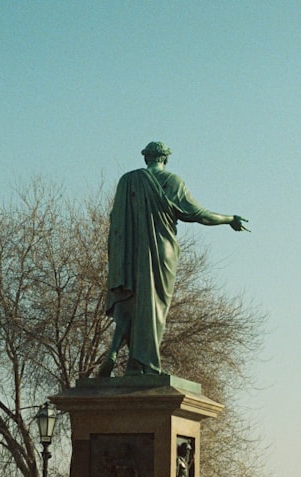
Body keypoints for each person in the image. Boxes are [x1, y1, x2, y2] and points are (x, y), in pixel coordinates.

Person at [97, 142, 248, 377]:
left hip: (128, 252)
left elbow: (114, 218)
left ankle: (115, 352)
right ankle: (143, 364)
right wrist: (229, 219)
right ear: (165, 159)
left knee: (129, 302)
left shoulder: (127, 181)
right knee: (154, 307)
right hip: (160, 249)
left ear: (146, 158)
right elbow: (197, 214)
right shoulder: (172, 181)